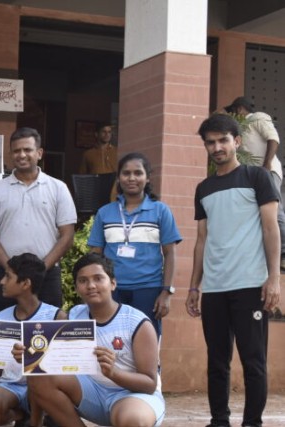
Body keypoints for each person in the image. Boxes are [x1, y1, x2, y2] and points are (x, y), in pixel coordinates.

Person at [188, 113, 280, 427]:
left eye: (223, 140)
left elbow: (271, 230)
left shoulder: (257, 177)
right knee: (217, 362)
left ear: (236, 141)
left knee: (254, 363)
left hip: (251, 285)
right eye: (210, 142)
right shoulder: (203, 188)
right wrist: (193, 286)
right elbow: (201, 240)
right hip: (214, 289)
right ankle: (219, 421)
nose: (217, 147)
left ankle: (252, 423)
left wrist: (274, 278)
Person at [28, 253, 164, 427]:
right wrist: (29, 356)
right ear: (77, 288)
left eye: (98, 278)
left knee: (132, 420)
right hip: (92, 393)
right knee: (38, 376)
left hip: (133, 395)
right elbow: (51, 361)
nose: (91, 285)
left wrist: (113, 373)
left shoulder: (137, 322)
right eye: (83, 281)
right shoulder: (74, 316)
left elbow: (149, 384)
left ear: (113, 283)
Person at [0, 127, 77, 316]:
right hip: (8, 276)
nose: (22, 155)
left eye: (27, 150)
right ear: (10, 154)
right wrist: (11, 269)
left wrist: (41, 269)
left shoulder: (58, 188)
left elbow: (67, 235)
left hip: (47, 276)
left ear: (39, 153)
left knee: (49, 335)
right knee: (5, 333)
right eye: (16, 151)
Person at [88, 152, 182, 337]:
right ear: (118, 178)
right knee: (110, 341)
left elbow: (170, 254)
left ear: (147, 178)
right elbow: (95, 255)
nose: (132, 178)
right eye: (126, 173)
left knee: (146, 342)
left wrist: (167, 292)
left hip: (148, 290)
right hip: (111, 290)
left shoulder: (160, 211)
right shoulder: (105, 213)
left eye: (138, 173)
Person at [0, 253, 65, 427]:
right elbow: (2, 360)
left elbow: (64, 364)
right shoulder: (1, 317)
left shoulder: (56, 317)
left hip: (45, 388)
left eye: (8, 276)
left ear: (25, 283)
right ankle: (19, 415)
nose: (1, 281)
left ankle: (36, 420)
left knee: (38, 382)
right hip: (11, 385)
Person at [224, 96, 285, 269]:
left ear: (240, 109)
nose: (232, 116)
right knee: (258, 213)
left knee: (275, 210)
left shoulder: (258, 118)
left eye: (233, 111)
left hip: (267, 171)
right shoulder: (239, 130)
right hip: (252, 176)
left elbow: (273, 139)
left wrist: (266, 165)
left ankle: (284, 253)